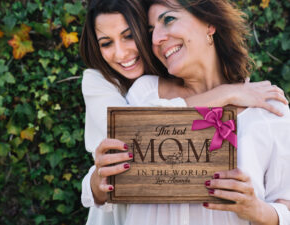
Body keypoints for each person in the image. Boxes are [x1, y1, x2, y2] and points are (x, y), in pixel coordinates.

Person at [79, 0, 289, 224]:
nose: (156, 38)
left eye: (168, 20)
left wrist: (258, 210)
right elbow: (115, 168)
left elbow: (285, 202)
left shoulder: (268, 110)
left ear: (209, 23)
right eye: (150, 31)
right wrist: (227, 94)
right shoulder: (144, 93)